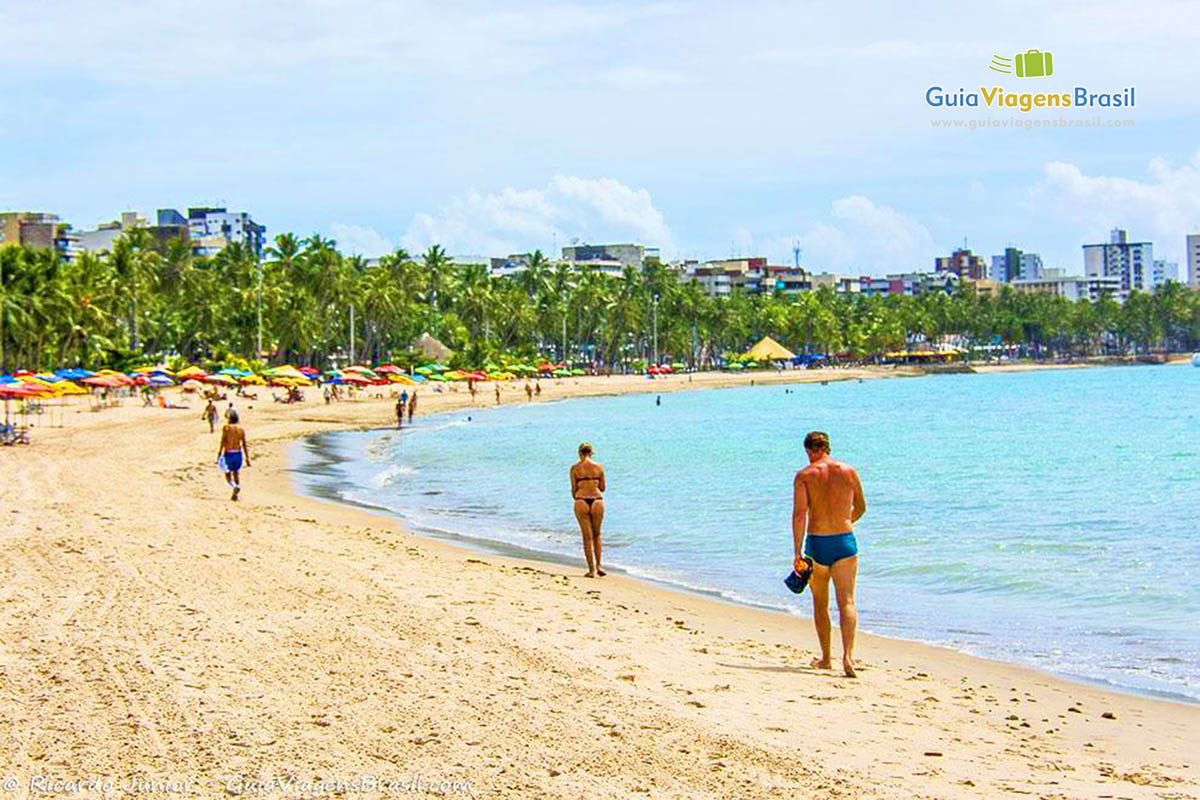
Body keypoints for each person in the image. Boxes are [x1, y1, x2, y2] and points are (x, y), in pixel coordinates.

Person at [792, 431, 866, 678]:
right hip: (844, 542)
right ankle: (848, 656)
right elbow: (862, 507)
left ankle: (826, 658)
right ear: (828, 448)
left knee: (820, 603)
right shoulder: (849, 471)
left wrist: (797, 552)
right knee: (847, 601)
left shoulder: (804, 475)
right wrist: (846, 524)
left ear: (808, 450)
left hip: (817, 544)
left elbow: (800, 515)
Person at [570, 442, 606, 578]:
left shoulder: (575, 468)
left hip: (581, 501)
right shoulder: (599, 467)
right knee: (597, 534)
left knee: (587, 537)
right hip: (597, 500)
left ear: (579, 453)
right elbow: (602, 487)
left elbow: (574, 490)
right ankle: (599, 566)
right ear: (591, 453)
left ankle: (591, 570)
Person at [218, 409, 251, 501]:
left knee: (227, 474)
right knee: (236, 473)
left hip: (229, 453)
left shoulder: (226, 428)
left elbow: (223, 441)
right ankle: (236, 493)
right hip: (238, 454)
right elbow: (244, 444)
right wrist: (247, 458)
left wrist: (219, 453)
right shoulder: (241, 430)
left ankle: (234, 486)